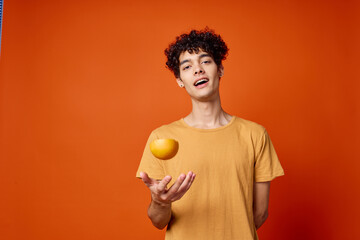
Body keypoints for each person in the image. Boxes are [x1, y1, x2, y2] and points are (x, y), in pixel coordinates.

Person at [136, 28, 284, 240]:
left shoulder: (255, 135)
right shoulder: (161, 138)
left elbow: (259, 213)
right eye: (187, 66)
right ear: (179, 80)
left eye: (205, 61)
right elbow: (158, 221)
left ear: (220, 69)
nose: (198, 69)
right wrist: (160, 201)